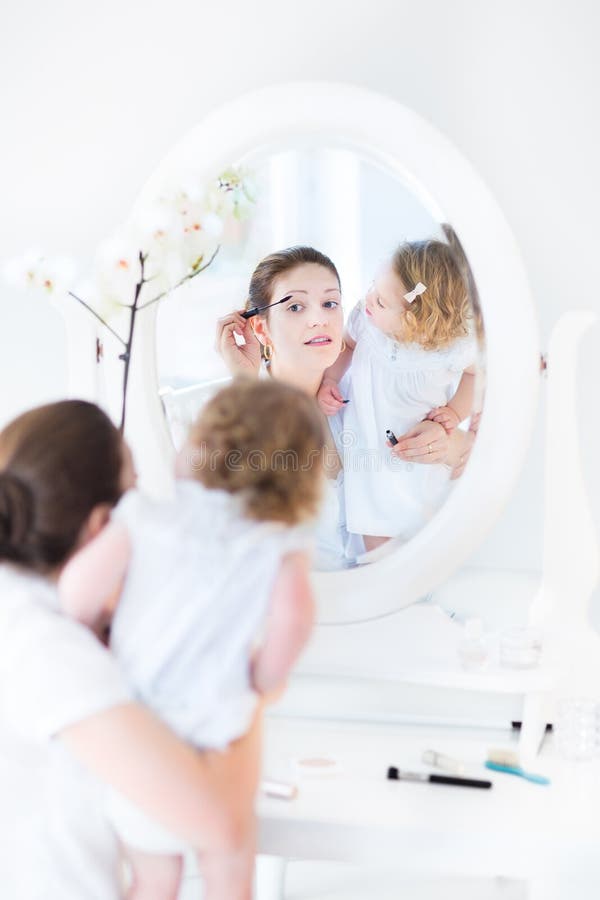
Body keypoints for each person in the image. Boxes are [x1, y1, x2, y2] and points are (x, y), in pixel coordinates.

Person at [58, 379, 323, 899]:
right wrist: (264, 679)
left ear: (201, 445)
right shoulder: (276, 544)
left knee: (156, 879)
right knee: (230, 860)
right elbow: (294, 618)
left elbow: (76, 595)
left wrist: (97, 634)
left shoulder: (143, 517)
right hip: (211, 727)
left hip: (137, 737)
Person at [0, 399, 262, 900]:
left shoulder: (27, 613)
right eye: (135, 493)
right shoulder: (47, 649)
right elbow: (219, 821)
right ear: (103, 526)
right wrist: (249, 683)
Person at [215, 245, 453, 569]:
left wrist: (443, 438)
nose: (319, 320)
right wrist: (245, 384)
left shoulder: (364, 395)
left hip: (384, 597)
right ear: (261, 328)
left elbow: (463, 454)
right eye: (296, 307)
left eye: (330, 303)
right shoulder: (236, 411)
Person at [317, 239, 477, 551]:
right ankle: (380, 579)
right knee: (372, 522)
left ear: (416, 318)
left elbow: (476, 373)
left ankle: (419, 581)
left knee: (419, 520)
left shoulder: (448, 349)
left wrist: (456, 412)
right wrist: (330, 379)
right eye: (372, 286)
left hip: (419, 451)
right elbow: (347, 346)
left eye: (381, 301)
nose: (368, 299)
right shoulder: (365, 322)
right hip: (368, 447)